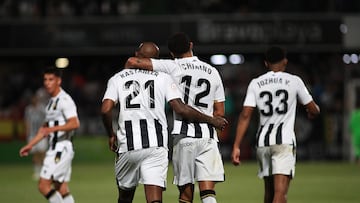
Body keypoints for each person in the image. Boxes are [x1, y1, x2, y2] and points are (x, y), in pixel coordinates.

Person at [101, 42, 227, 203]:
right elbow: (180, 108)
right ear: (156, 60)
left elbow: (105, 109)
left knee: (125, 196)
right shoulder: (164, 78)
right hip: (156, 146)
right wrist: (211, 120)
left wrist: (111, 134)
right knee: (155, 200)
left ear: (136, 54)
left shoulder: (117, 78)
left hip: (127, 144)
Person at [231, 46, 320, 203]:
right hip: (283, 142)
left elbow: (245, 115)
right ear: (285, 61)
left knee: (269, 192)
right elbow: (313, 109)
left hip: (263, 143)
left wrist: (236, 145)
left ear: (266, 63)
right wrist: (312, 112)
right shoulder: (294, 81)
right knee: (280, 192)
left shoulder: (256, 83)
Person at [20, 67, 80, 203]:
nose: (47, 82)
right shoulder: (51, 102)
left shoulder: (64, 100)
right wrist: (29, 146)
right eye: (45, 80)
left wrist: (53, 129)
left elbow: (75, 123)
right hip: (56, 148)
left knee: (43, 185)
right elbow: (44, 129)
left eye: (51, 79)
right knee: (61, 187)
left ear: (59, 81)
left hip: (61, 148)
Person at [24, 93, 48, 180]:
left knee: (42, 153)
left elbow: (47, 120)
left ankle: (45, 172)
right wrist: (27, 134)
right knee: (35, 154)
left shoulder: (42, 109)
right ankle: (37, 172)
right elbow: (27, 122)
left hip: (41, 135)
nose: (34, 100)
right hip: (32, 135)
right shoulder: (28, 110)